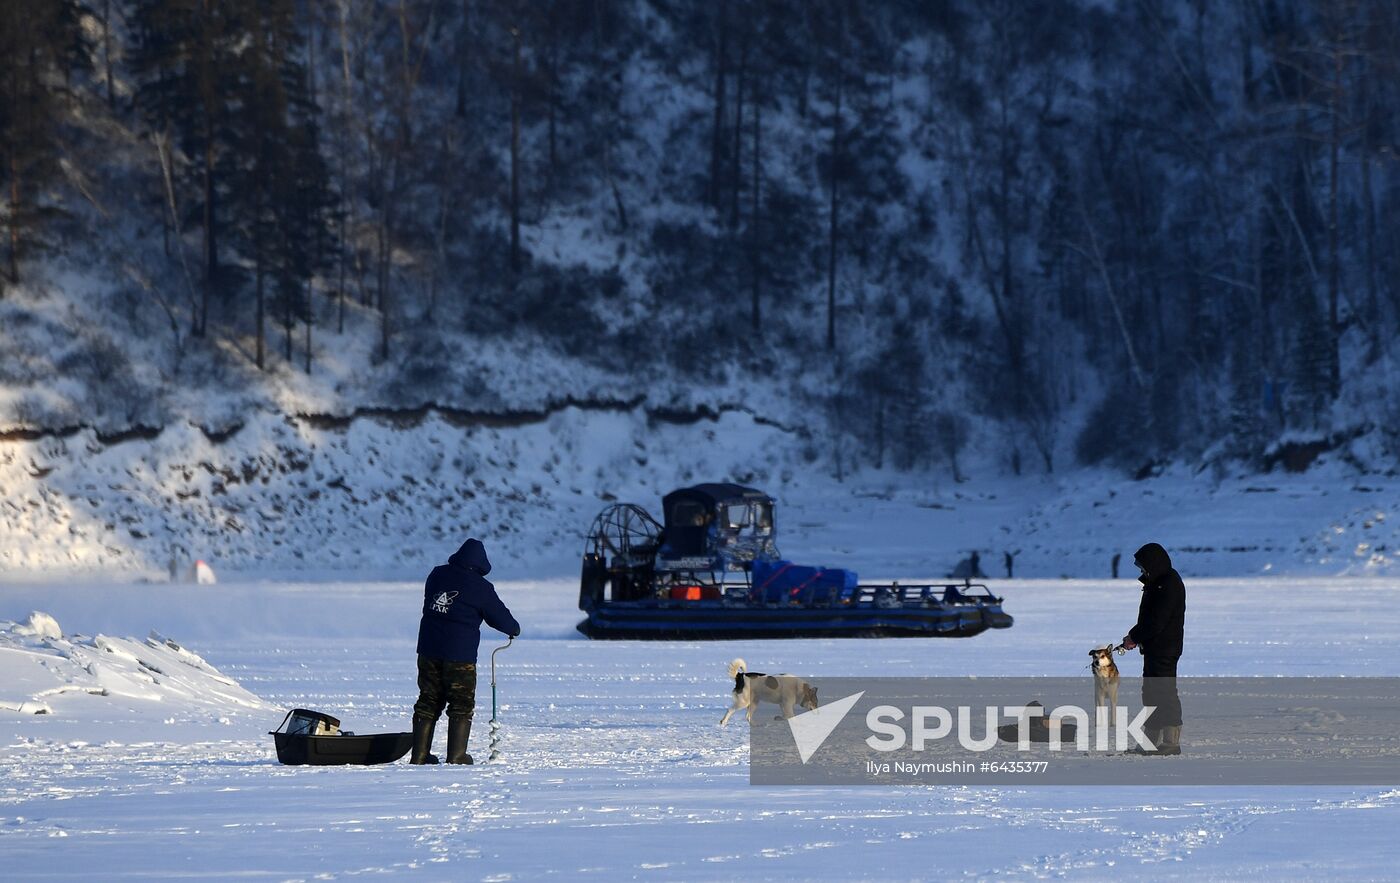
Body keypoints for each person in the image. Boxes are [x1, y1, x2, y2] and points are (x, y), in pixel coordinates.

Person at [412, 538, 520, 765]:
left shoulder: (437, 575)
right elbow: (500, 617)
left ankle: (419, 755)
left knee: (428, 699)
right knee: (461, 702)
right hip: (458, 656)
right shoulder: (480, 587)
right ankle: (457, 755)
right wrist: (513, 629)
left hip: (428, 650)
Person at [1120, 542, 1185, 755]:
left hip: (1166, 648)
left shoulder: (1168, 584)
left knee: (1164, 693)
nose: (1141, 571)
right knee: (1150, 693)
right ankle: (1149, 740)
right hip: (1154, 648)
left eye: (1143, 567)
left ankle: (1170, 741)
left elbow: (1157, 620)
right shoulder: (1156, 582)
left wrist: (1134, 636)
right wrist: (1136, 637)